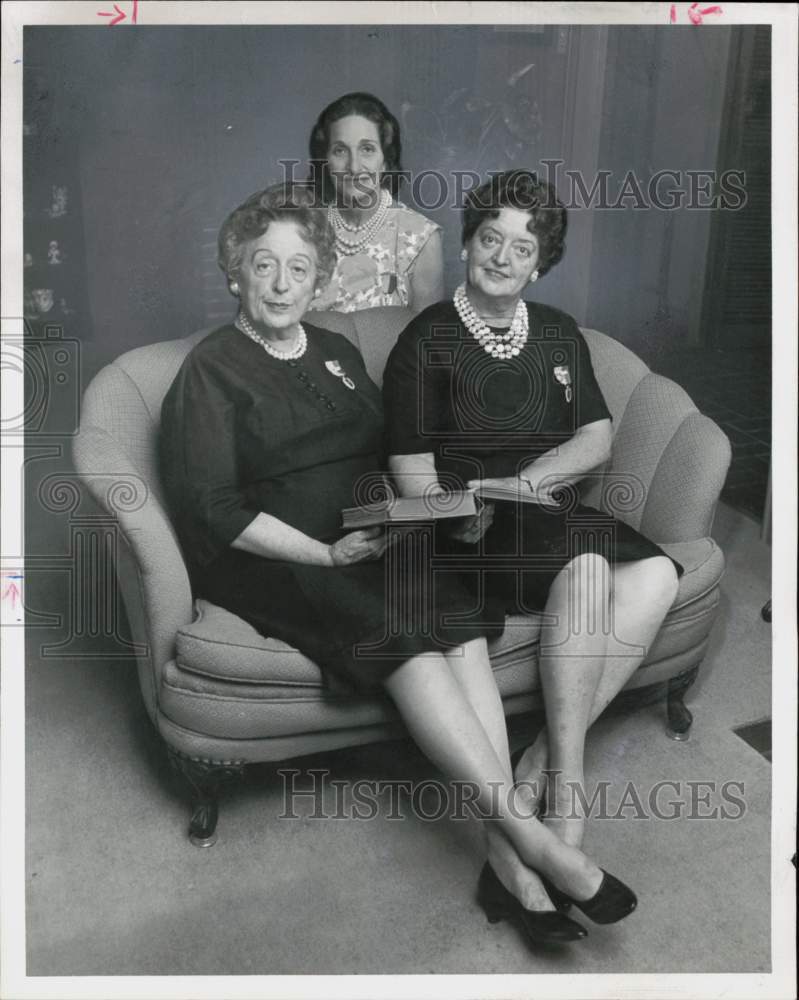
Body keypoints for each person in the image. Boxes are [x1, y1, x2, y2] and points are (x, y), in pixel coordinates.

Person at [159, 183, 639, 949]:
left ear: (318, 279)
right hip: (275, 554)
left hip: (364, 532)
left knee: (455, 617)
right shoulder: (211, 370)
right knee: (398, 631)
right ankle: (536, 847)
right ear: (233, 274)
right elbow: (211, 510)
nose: (282, 284)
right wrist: (323, 551)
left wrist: (407, 517)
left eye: (298, 268)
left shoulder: (336, 350)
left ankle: (502, 859)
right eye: (263, 266)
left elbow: (390, 456)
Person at [382, 169, 682, 864]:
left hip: (538, 512)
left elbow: (595, 436)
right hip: (465, 531)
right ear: (467, 242)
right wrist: (453, 510)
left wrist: (525, 481)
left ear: (540, 262)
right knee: (583, 563)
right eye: (491, 238)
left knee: (656, 578)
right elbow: (409, 464)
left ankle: (549, 761)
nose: (503, 257)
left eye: (523, 248)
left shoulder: (555, 333)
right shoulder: (425, 339)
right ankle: (568, 793)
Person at [306, 92, 444, 314]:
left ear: (385, 160)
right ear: (326, 161)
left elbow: (426, 343)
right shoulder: (305, 229)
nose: (354, 166)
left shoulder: (421, 239)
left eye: (367, 149)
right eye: (340, 150)